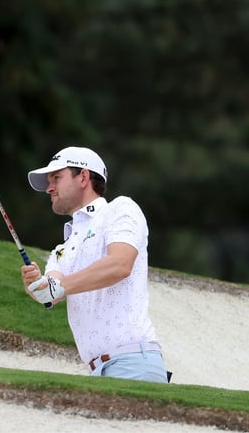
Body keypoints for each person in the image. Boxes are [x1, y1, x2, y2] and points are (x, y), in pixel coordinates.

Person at [20, 146, 169, 383]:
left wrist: (60, 286)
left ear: (83, 177)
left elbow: (120, 264)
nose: (49, 188)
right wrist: (36, 285)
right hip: (97, 371)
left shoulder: (119, 209)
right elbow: (50, 293)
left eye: (56, 178)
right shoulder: (62, 249)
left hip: (132, 363)